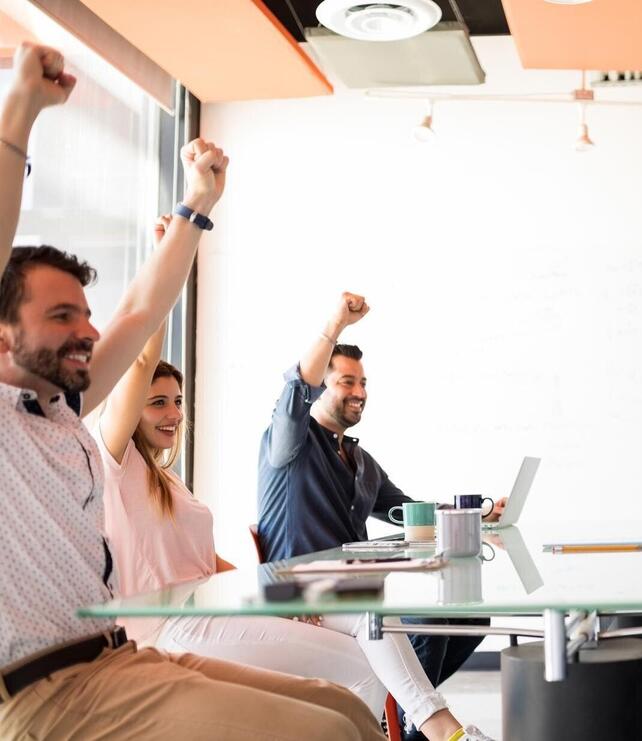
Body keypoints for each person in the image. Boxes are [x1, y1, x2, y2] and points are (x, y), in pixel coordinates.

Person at [0, 42, 382, 740]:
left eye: (85, 313)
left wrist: (197, 206)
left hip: (114, 660)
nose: (87, 330)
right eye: (62, 316)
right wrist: (19, 113)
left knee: (350, 710)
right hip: (43, 696)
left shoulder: (61, 411)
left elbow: (142, 311)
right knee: (325, 733)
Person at [95, 219, 492, 741]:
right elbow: (143, 356)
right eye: (156, 402)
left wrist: (271, 600)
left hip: (237, 596)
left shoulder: (170, 482)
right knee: (362, 663)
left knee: (368, 611)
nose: (171, 413)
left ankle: (442, 731)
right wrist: (172, 255)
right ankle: (435, 733)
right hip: (169, 627)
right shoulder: (116, 460)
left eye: (176, 401)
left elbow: (206, 566)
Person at [257, 292, 503, 740]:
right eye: (346, 381)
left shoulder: (360, 460)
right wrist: (335, 325)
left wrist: (477, 515)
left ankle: (404, 723)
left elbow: (408, 511)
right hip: (296, 593)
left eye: (363, 382)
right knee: (405, 618)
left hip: (348, 591)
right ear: (321, 387)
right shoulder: (290, 442)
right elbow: (296, 387)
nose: (359, 392)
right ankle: (426, 729)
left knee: (466, 619)